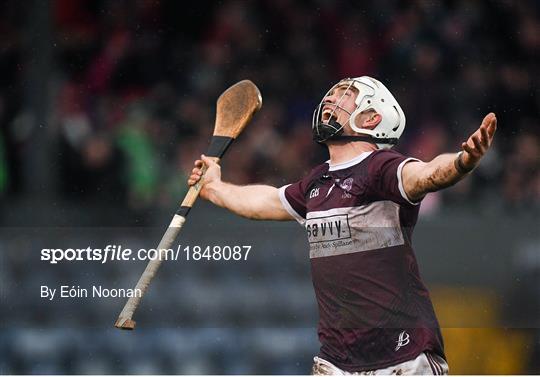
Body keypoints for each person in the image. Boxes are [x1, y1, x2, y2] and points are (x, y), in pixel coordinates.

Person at [187, 76, 497, 375]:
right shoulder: (317, 181)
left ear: (372, 117)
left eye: (345, 94)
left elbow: (425, 173)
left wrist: (461, 162)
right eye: (332, 93)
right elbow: (264, 202)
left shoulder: (381, 168)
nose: (331, 98)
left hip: (403, 360)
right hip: (336, 362)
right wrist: (214, 188)